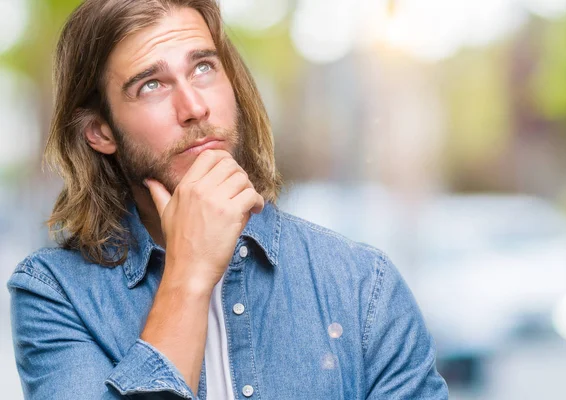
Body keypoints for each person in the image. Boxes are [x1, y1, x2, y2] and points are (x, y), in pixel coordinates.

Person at [7, 0, 449, 399]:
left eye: (203, 68)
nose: (194, 106)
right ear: (100, 132)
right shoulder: (55, 294)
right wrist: (187, 276)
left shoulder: (361, 286)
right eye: (151, 85)